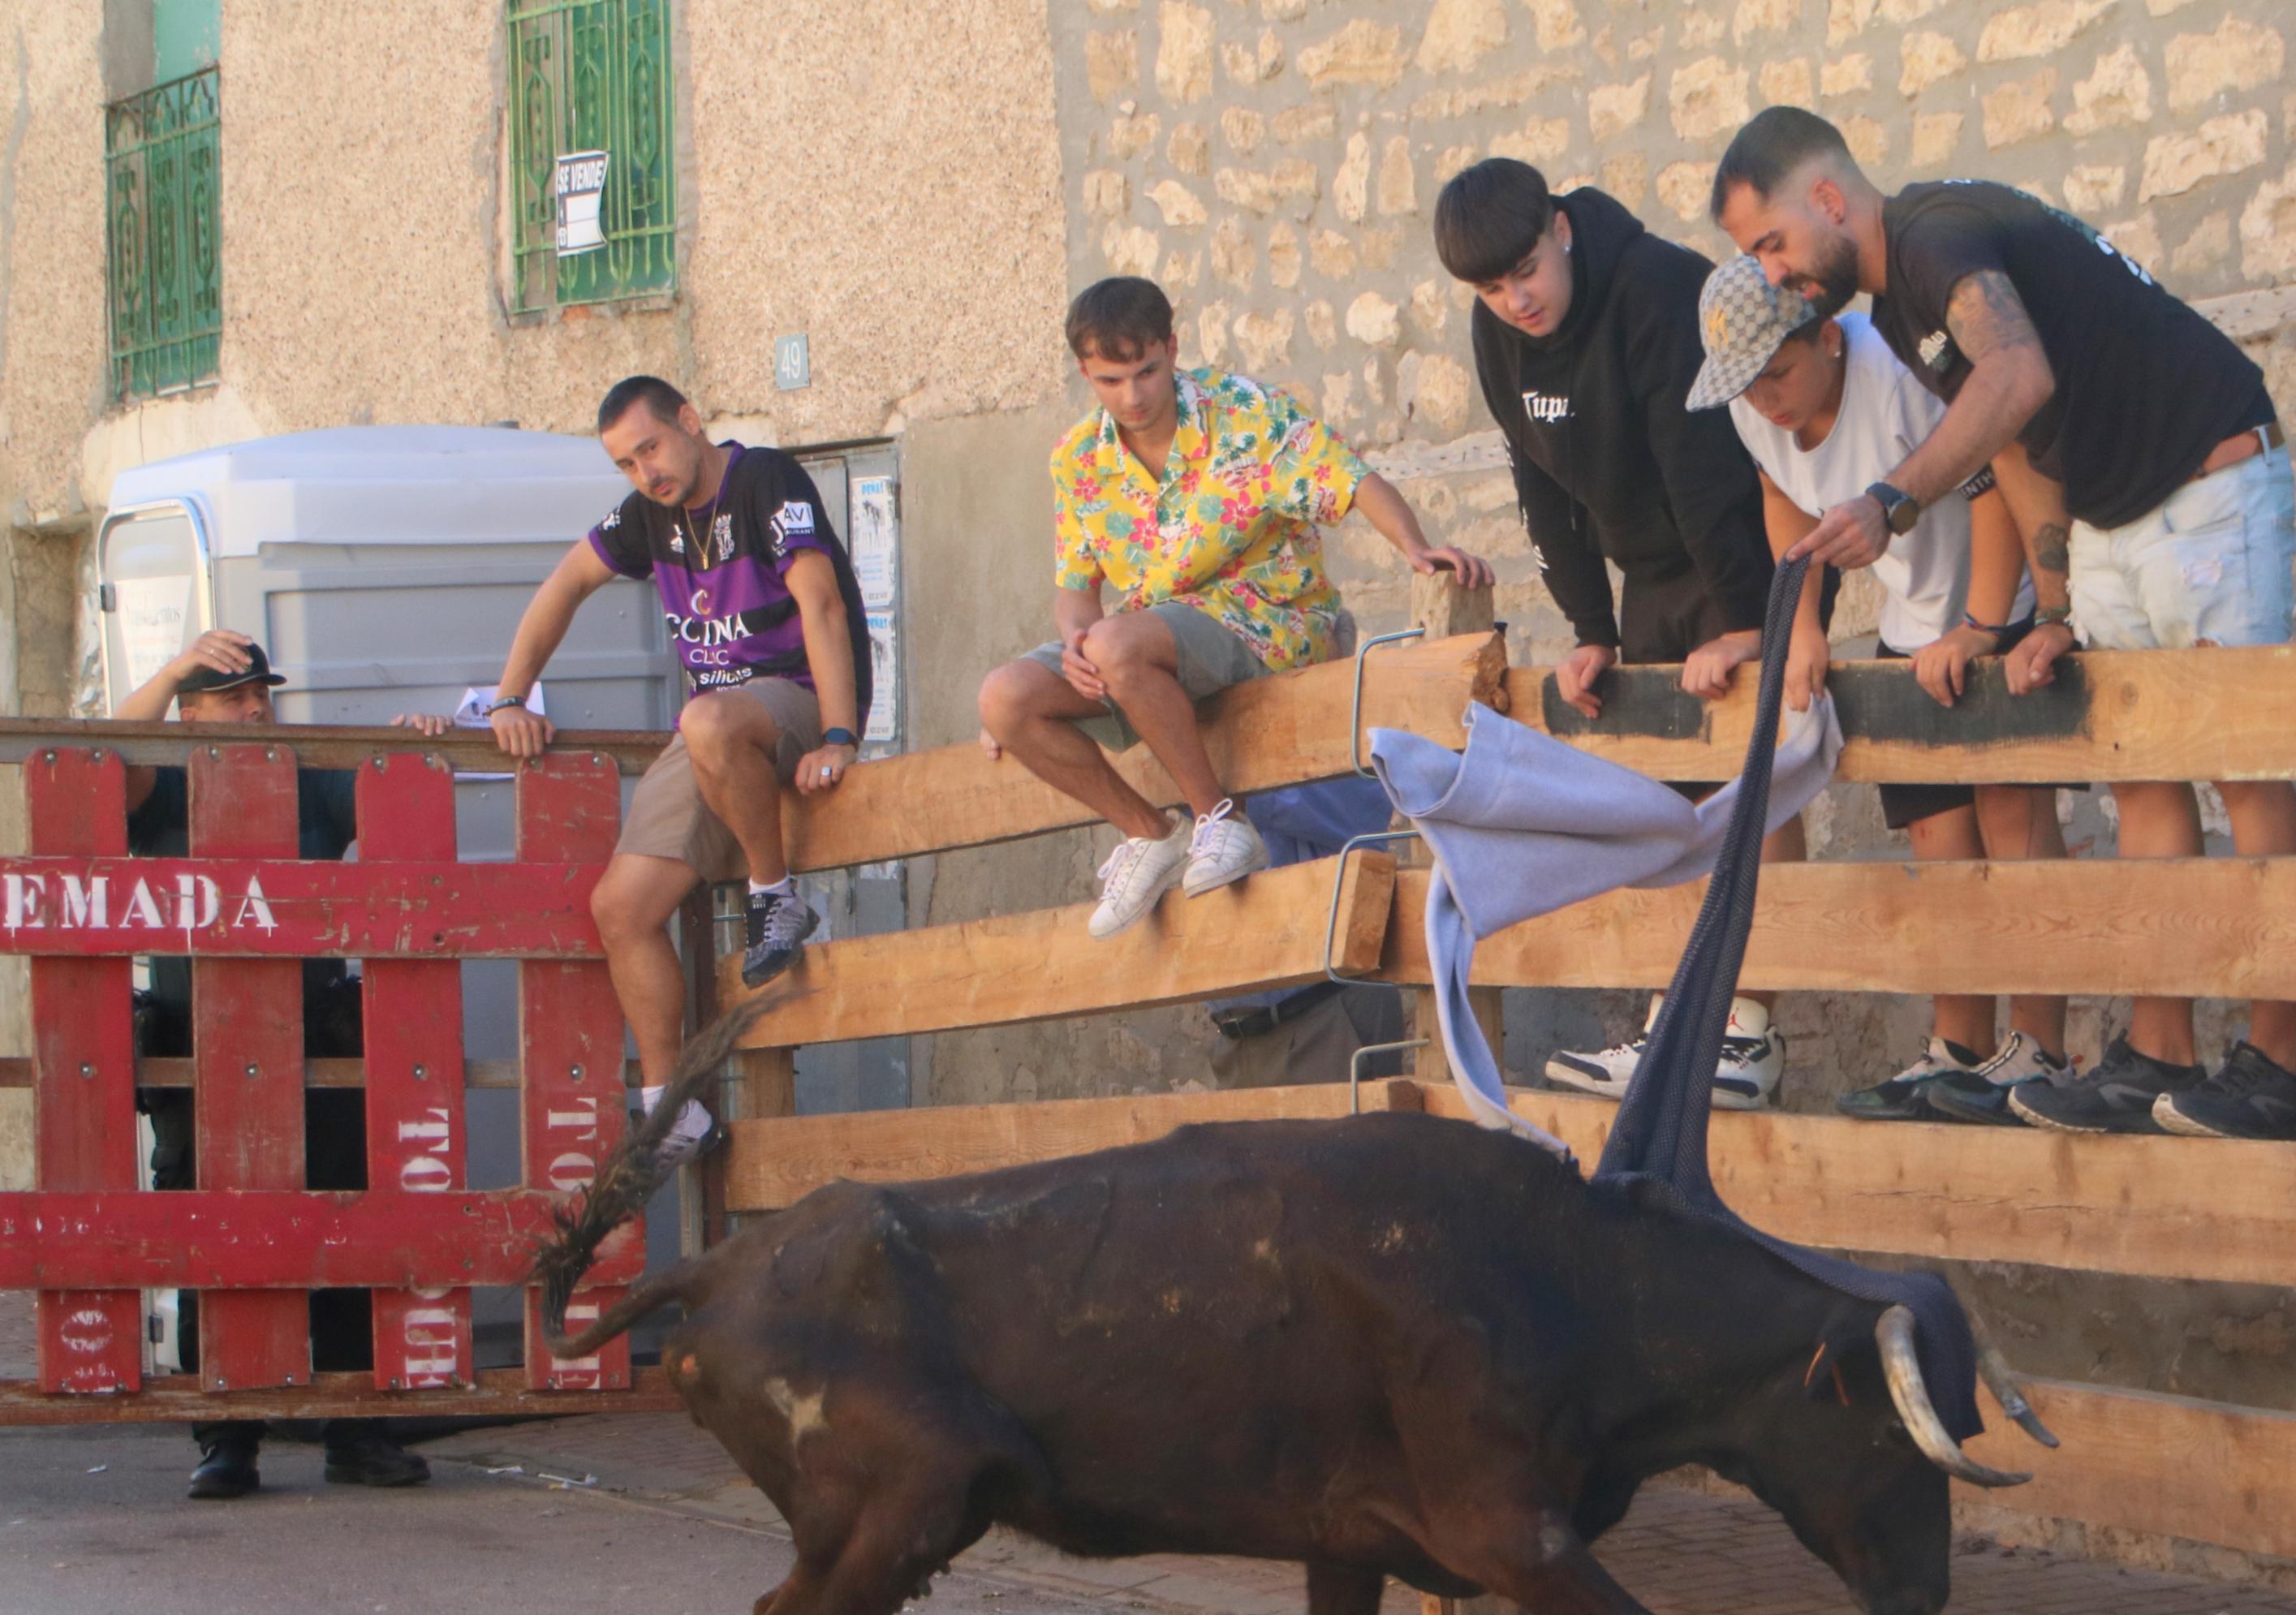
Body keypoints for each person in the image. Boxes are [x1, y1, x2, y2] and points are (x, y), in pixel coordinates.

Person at [1713, 106, 2296, 1143]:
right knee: (2140, 779)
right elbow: (2021, 445)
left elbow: (2015, 378)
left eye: (1769, 243)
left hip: (2208, 482)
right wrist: (2048, 607)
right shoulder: (1903, 304)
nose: (1771, 274)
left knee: (2243, 768)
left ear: (1825, 199)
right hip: (2116, 515)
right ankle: (2156, 1054)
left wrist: (1889, 501)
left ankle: (2274, 1068)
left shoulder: (1933, 238)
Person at [1680, 251, 2075, 1125]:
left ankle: (2037, 1050)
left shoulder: (1894, 371)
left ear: (1826, 335)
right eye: (1745, 388)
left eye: (1778, 372)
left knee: (2012, 822)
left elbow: (1989, 484)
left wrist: (1977, 623)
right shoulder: (1758, 414)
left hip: (1995, 607)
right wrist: (1805, 624)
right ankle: (1959, 1049)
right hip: (1908, 629)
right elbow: (1782, 496)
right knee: (1938, 843)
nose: (1766, 400)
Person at [1435, 156, 1795, 1109]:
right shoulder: (1497, 329)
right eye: (1488, 288)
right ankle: (1682, 1023)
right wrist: (1590, 626)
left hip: (1734, 545)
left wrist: (1744, 622)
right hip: (1646, 571)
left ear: (1559, 227)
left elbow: (1704, 473)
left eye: (1522, 273)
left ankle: (1746, 1033)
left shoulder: (1651, 286)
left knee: (1751, 779)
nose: (1513, 301)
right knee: (1661, 798)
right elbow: (1538, 479)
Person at [978, 277, 1487, 941]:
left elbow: (1351, 479)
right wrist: (1073, 637)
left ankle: (1218, 821)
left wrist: (1416, 548)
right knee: (1004, 699)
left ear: (1172, 347)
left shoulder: (1245, 411)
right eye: (1110, 380)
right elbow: (1076, 583)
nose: (1131, 396)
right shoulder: (1077, 458)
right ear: (1083, 372)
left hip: (1269, 619)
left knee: (1114, 645)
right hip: (1148, 639)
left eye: (1146, 372)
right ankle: (1151, 833)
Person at [481, 376, 872, 1166]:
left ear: (689, 422)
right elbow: (563, 586)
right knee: (619, 907)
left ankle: (776, 900)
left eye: (650, 449)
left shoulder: (765, 479)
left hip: (793, 702)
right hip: (712, 730)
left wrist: (838, 734)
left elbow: (821, 605)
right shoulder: (645, 517)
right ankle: (671, 1111)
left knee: (707, 716)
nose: (644, 474)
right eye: (625, 464)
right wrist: (507, 697)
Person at [115, 629, 429, 1501]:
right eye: (230, 696)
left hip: (313, 1039)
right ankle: (227, 1439)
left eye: (261, 693)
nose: (254, 709)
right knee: (210, 1239)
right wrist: (174, 671)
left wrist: (402, 754)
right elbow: (103, 761)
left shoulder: (305, 775)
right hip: (196, 1042)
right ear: (187, 714)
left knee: (338, 1228)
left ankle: (356, 1433)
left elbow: (386, 808)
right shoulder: (166, 781)